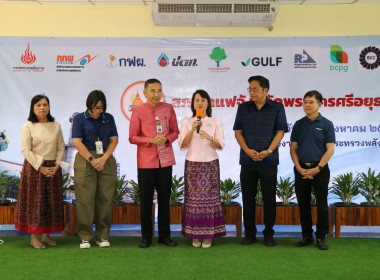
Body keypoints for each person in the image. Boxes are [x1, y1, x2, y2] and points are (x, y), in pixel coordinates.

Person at [233, 75, 288, 247]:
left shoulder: (277, 107)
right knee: (248, 198)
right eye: (249, 88)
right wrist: (248, 151)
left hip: (269, 161)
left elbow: (280, 132)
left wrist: (269, 151)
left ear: (266, 90)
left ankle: (269, 234)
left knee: (269, 198)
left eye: (255, 88)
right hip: (247, 161)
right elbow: (238, 132)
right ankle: (249, 233)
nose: (251, 91)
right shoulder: (243, 108)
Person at [129, 78, 179, 248]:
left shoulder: (168, 108)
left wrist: (166, 139)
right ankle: (146, 237)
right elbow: (132, 137)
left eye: (159, 90)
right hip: (146, 162)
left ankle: (165, 236)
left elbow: (175, 132)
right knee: (146, 201)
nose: (156, 94)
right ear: (145, 93)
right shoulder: (138, 111)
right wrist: (150, 140)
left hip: (165, 161)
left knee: (165, 200)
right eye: (153, 91)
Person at [16, 94, 65, 249]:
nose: (42, 107)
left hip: (53, 168)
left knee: (50, 202)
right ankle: (34, 237)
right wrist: (41, 167)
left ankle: (46, 235)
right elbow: (25, 149)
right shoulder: (28, 125)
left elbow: (61, 147)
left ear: (49, 107)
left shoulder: (56, 125)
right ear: (33, 108)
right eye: (38, 105)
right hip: (35, 168)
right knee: (36, 203)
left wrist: (57, 166)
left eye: (45, 104)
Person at [178, 90, 226, 248]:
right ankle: (194, 235)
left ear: (208, 103)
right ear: (192, 103)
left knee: (209, 200)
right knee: (193, 200)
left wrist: (211, 138)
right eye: (197, 100)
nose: (200, 103)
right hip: (192, 163)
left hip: (210, 164)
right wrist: (193, 129)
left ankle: (208, 236)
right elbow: (182, 145)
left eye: (203, 100)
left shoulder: (215, 120)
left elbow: (221, 145)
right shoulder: (187, 121)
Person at [72, 90, 118, 249]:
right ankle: (85, 236)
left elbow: (114, 140)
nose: (98, 111)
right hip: (86, 159)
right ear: (88, 106)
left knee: (106, 198)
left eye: (101, 107)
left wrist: (104, 158)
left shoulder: (109, 118)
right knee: (85, 199)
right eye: (95, 108)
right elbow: (77, 142)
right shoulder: (79, 119)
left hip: (105, 158)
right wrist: (92, 160)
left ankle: (103, 236)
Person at [290, 90, 335, 250]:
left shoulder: (327, 124)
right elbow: (293, 148)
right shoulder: (299, 124)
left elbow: (330, 150)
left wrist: (318, 168)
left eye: (311, 102)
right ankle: (306, 236)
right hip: (301, 169)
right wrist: (299, 168)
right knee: (303, 204)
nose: (307, 105)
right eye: (305, 102)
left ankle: (321, 237)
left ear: (320, 104)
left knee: (322, 204)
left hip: (320, 170)